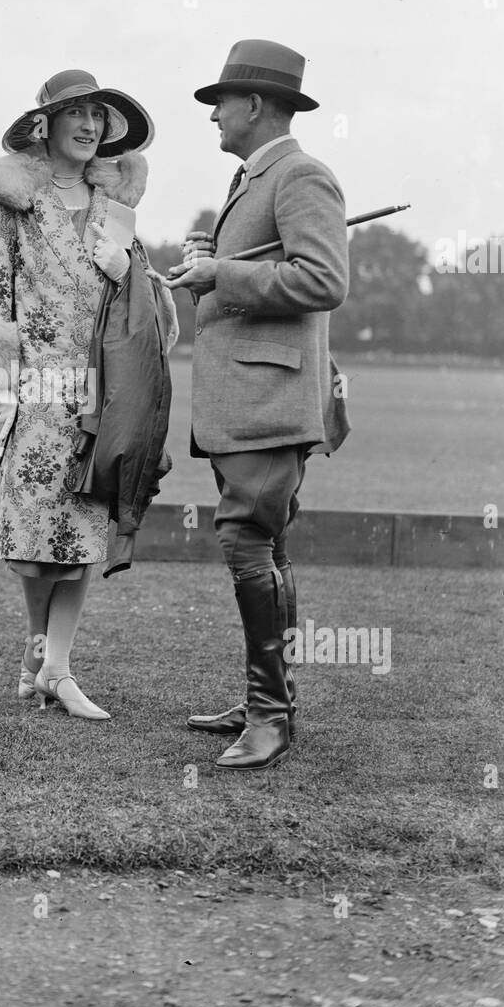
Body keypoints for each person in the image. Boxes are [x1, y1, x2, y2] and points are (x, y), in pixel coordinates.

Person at [0, 69, 176, 721]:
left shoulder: (118, 209)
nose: (89, 125)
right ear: (46, 124)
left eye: (98, 116)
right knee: (32, 551)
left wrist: (128, 268)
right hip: (33, 392)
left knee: (81, 538)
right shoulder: (9, 203)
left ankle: (57, 669)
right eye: (75, 113)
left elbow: (150, 304)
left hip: (100, 395)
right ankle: (39, 650)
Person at [164, 40, 350, 770]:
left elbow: (323, 280)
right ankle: (266, 698)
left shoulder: (301, 174)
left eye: (221, 102)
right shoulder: (254, 177)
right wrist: (214, 264)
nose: (212, 115)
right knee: (264, 544)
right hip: (247, 403)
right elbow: (265, 268)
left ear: (253, 106)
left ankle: (271, 716)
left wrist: (224, 275)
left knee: (246, 542)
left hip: (270, 402)